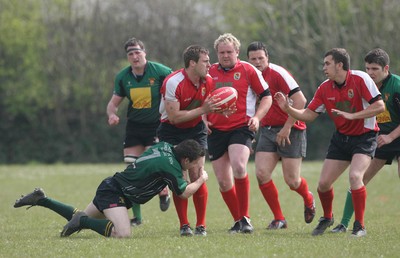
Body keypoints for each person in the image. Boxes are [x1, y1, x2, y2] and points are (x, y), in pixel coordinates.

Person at [274, 48, 385, 237]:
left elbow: (379, 106)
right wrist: (287, 109)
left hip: (364, 137)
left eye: (327, 63)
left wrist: (353, 116)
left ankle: (359, 226)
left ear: (340, 65)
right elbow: (308, 115)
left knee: (355, 176)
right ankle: (327, 217)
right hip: (341, 138)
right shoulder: (325, 87)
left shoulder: (360, 79)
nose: (324, 67)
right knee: (323, 184)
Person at [13, 140, 208, 238]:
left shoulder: (166, 146)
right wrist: (202, 178)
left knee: (79, 217)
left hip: (114, 186)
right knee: (122, 234)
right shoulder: (171, 167)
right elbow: (184, 192)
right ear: (185, 159)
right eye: (194, 165)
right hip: (116, 192)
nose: (194, 169)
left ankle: (41, 199)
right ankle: (84, 221)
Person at [207, 33, 272, 234]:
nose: (225, 56)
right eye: (221, 52)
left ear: (237, 52)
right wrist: (203, 120)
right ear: (216, 53)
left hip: (241, 127)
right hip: (215, 129)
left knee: (239, 165)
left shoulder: (248, 70)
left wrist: (257, 118)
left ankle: (245, 218)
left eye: (229, 52)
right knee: (223, 181)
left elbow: (267, 97)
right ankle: (238, 220)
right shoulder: (209, 73)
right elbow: (200, 99)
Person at [246, 41, 315, 230]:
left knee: (292, 181)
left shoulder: (278, 73)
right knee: (261, 174)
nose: (258, 61)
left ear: (267, 57)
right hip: (267, 130)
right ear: (248, 60)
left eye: (261, 58)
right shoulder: (248, 75)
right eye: (253, 59)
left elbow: (301, 101)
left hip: (292, 128)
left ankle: (308, 198)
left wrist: (287, 127)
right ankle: (279, 218)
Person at [331, 48, 400, 233]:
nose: (370, 73)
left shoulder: (397, 86)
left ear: (386, 68)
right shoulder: (361, 83)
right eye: (367, 68)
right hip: (378, 138)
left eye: (375, 69)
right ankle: (344, 223)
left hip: (394, 136)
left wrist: (391, 136)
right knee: (358, 179)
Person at [106, 37, 172, 226]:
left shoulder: (160, 71)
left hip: (157, 126)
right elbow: (113, 104)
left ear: (145, 53)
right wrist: (112, 114)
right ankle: (138, 218)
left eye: (137, 52)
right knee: (131, 169)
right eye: (130, 54)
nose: (135, 56)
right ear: (127, 57)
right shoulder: (123, 77)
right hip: (134, 127)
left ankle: (163, 191)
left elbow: (177, 86)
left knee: (154, 166)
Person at [157, 45, 219, 236]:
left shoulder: (207, 81)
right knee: (179, 179)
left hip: (195, 130)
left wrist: (221, 109)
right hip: (171, 130)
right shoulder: (173, 82)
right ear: (192, 63)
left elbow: (206, 106)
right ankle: (184, 225)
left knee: (197, 174)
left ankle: (201, 225)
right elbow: (174, 117)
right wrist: (203, 111)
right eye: (205, 61)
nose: (210, 64)